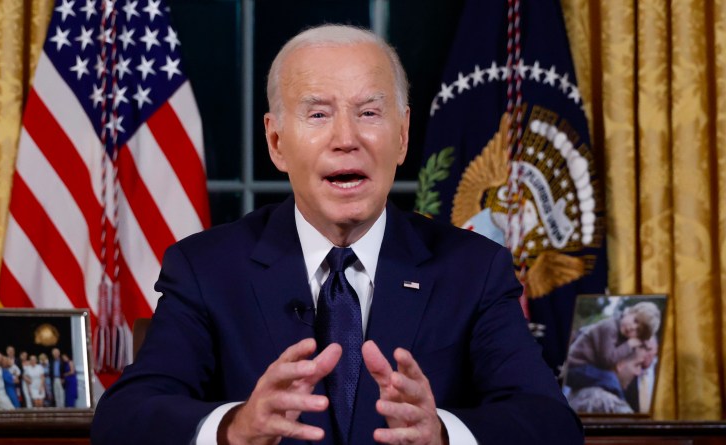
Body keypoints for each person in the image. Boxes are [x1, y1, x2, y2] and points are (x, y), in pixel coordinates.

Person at [91, 24, 581, 445]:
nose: (347, 138)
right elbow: (124, 417)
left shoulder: (474, 270)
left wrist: (442, 432)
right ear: (277, 142)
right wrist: (235, 428)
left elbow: (551, 422)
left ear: (403, 135)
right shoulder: (206, 269)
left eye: (369, 113)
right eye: (319, 113)